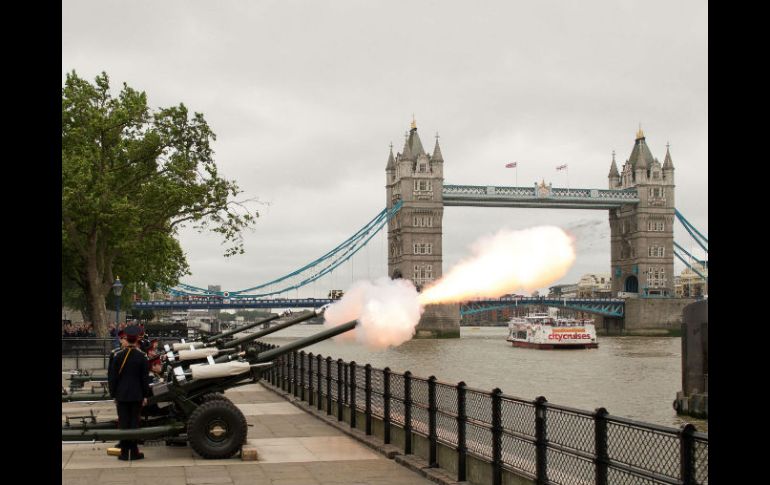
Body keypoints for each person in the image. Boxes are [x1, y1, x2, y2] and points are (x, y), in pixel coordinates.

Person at [108, 325, 151, 461]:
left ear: (126, 338)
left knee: (123, 423)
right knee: (134, 423)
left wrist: (113, 395)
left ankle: (124, 452)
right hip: (136, 394)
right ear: (137, 339)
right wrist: (145, 395)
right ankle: (134, 452)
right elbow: (145, 379)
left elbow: (113, 378)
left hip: (121, 394)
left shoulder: (117, 356)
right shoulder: (142, 357)